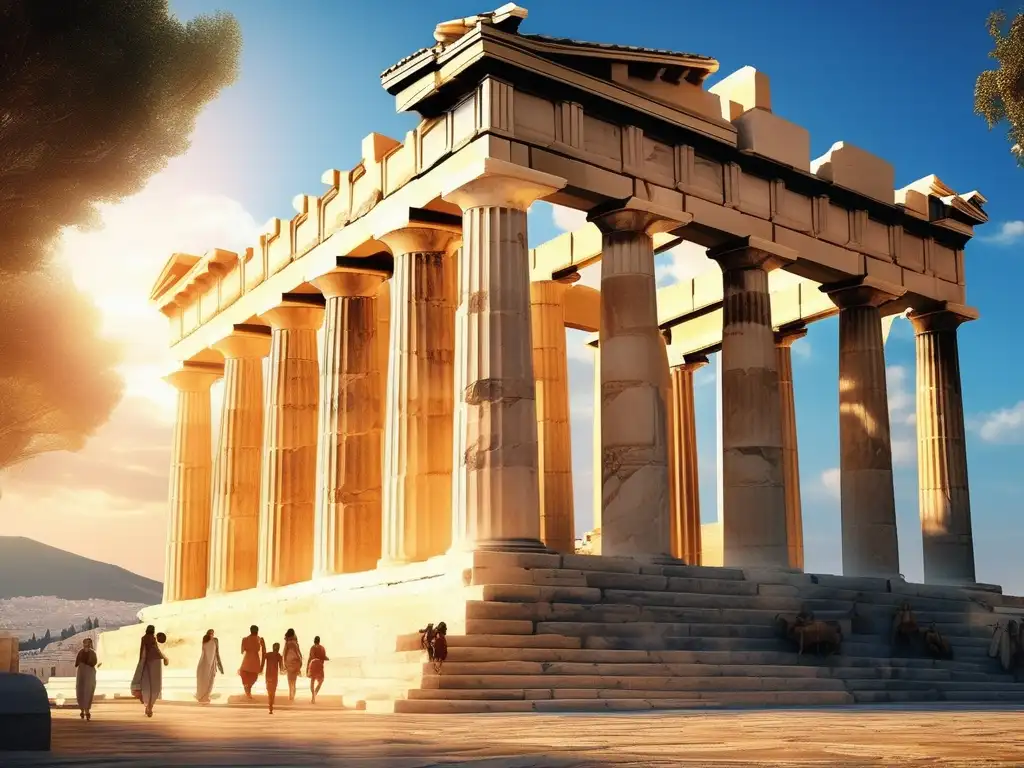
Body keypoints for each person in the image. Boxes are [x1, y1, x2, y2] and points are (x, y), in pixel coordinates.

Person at [130, 626, 168, 718]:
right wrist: (164, 657)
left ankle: (148, 706)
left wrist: (142, 662)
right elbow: (155, 650)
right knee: (154, 685)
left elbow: (144, 651)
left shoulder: (144, 638)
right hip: (154, 662)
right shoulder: (151, 639)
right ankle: (149, 707)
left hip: (148, 662)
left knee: (147, 685)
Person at [195, 629, 224, 704]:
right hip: (204, 664)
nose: (211, 635)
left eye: (212, 634)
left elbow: (217, 653)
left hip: (212, 665)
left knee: (211, 680)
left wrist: (220, 666)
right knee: (202, 681)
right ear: (207, 634)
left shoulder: (215, 641)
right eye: (210, 634)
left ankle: (206, 696)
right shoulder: (205, 640)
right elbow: (205, 654)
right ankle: (202, 697)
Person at [74, 637, 99, 721]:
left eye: (88, 643)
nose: (86, 644)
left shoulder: (92, 653)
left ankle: (87, 710)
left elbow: (93, 662)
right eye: (85, 642)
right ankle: (82, 709)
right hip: (81, 672)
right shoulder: (81, 652)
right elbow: (77, 663)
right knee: (80, 690)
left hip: (89, 672)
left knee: (88, 690)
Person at [238, 625, 265, 699]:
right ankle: (248, 692)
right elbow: (263, 652)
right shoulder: (260, 639)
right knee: (254, 677)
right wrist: (262, 665)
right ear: (257, 631)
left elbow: (241, 651)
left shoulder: (245, 639)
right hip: (255, 660)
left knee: (245, 676)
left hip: (247, 659)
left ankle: (248, 692)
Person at [262, 641, 285, 715]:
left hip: (268, 675)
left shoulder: (268, 654)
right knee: (273, 691)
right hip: (274, 676)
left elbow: (263, 655)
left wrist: (263, 644)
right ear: (278, 649)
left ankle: (270, 706)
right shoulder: (279, 656)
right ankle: (271, 705)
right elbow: (281, 669)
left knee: (269, 691)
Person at [306, 636, 329, 704]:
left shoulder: (312, 648)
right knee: (321, 681)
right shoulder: (322, 648)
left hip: (313, 664)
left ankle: (313, 695)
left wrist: (307, 668)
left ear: (314, 641)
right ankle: (315, 694)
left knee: (312, 681)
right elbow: (324, 657)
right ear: (319, 641)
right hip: (319, 665)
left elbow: (310, 658)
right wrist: (327, 659)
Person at [283, 628, 303, 702]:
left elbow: (284, 653)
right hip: (295, 662)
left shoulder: (287, 643)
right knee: (294, 681)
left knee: (289, 680)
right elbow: (298, 653)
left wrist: (284, 663)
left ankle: (290, 695)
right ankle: (292, 695)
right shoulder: (295, 642)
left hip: (289, 662)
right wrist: (300, 662)